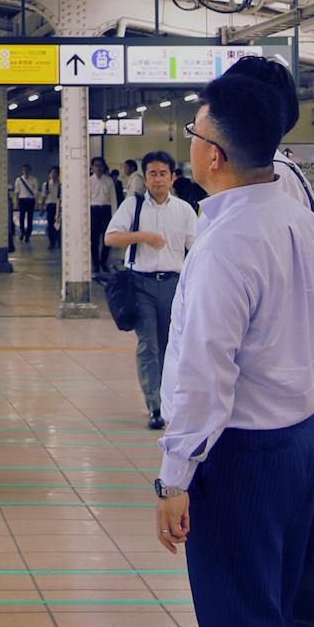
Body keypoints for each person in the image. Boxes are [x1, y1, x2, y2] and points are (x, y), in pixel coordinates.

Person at [153, 66, 314, 627]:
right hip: (300, 443)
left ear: (212, 154)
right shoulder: (305, 225)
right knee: (283, 615)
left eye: (193, 131)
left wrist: (175, 474)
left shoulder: (225, 247)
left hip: (239, 459)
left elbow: (203, 371)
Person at [105, 149, 198, 430]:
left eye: (163, 174)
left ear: (172, 177)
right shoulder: (132, 206)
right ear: (145, 178)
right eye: (152, 174)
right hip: (141, 284)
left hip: (174, 285)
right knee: (149, 345)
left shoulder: (184, 210)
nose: (158, 179)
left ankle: (172, 402)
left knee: (171, 347)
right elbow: (111, 238)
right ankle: (155, 405)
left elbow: (196, 250)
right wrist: (142, 236)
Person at [85, 157, 117, 274]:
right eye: (96, 166)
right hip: (94, 211)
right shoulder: (88, 181)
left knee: (107, 239)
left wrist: (115, 216)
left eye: (100, 166)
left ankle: (103, 262)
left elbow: (113, 199)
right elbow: (86, 199)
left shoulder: (109, 181)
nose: (98, 168)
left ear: (104, 167)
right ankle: (96, 265)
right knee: (94, 240)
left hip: (106, 211)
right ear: (92, 168)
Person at [13, 166, 38, 244]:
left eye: (27, 170)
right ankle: (22, 232)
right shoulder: (18, 180)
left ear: (30, 171)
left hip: (30, 200)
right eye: (24, 170)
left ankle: (28, 235)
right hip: (22, 200)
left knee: (30, 218)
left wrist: (37, 203)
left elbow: (36, 192)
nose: (25, 172)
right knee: (21, 217)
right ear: (22, 171)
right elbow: (17, 192)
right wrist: (16, 202)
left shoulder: (34, 180)